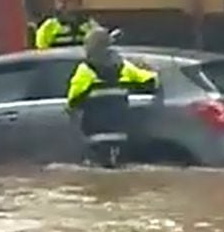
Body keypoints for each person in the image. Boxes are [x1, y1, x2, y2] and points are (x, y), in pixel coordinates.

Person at [66, 28, 157, 166]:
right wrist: (150, 70)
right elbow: (151, 81)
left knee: (96, 178)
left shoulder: (86, 70)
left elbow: (73, 100)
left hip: (96, 136)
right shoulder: (124, 67)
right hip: (120, 135)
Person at [35, 0, 99, 49]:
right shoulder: (48, 27)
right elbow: (41, 54)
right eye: (61, 1)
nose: (63, 5)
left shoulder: (91, 27)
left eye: (68, 0)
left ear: (79, 3)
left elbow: (98, 51)